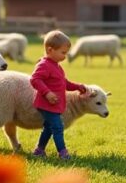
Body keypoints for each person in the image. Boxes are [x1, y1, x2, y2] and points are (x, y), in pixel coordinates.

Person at [29, 30, 86, 160]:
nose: (65, 56)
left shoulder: (56, 66)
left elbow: (64, 83)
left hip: (54, 104)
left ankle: (39, 150)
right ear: (50, 50)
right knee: (58, 127)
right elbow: (35, 79)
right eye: (63, 53)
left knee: (48, 128)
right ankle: (63, 153)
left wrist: (78, 87)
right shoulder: (44, 65)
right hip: (46, 104)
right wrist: (47, 93)